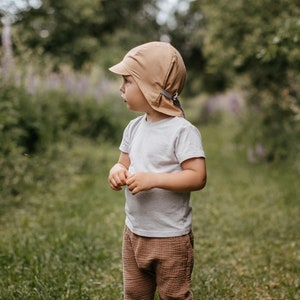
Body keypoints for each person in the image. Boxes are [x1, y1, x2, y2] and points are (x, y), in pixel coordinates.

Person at [108, 41, 207, 300]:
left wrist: (154, 180)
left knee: (174, 295)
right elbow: (123, 162)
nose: (121, 88)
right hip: (134, 232)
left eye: (128, 81)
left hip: (170, 236)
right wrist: (116, 171)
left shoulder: (181, 131)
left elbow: (197, 177)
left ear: (152, 86)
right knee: (134, 293)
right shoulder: (134, 127)